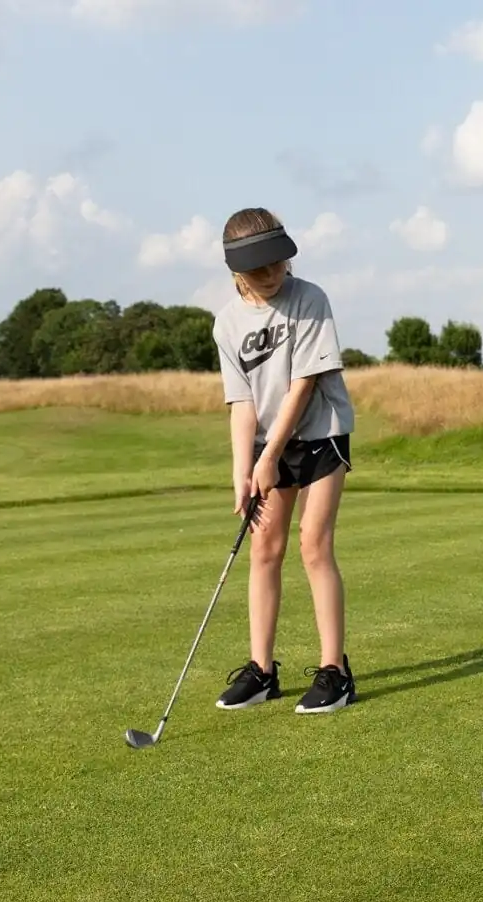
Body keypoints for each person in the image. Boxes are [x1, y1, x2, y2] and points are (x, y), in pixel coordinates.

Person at [209, 206, 358, 714]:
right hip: (266, 445)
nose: (272, 275)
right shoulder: (226, 324)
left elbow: (304, 383)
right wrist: (241, 469)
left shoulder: (309, 299)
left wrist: (269, 455)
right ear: (236, 273)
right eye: (259, 270)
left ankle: (334, 671)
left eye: (278, 264)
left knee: (314, 546)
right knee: (264, 550)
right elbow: (242, 404)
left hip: (320, 434)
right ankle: (262, 671)